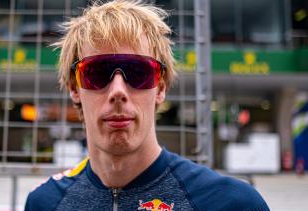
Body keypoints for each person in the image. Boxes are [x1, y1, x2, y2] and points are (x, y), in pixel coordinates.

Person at [25, 0, 270, 210]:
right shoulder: (45, 203)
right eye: (97, 72)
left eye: (137, 71)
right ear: (74, 88)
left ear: (160, 87)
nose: (118, 91)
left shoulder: (232, 203)